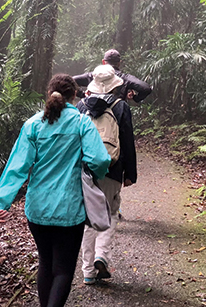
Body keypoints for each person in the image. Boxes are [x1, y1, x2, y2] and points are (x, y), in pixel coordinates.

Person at [0, 74, 111, 307]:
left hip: (38, 209)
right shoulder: (81, 122)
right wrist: (92, 172)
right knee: (63, 269)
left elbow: (17, 166)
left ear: (50, 94)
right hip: (69, 209)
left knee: (46, 264)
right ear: (74, 95)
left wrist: (1, 201)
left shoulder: (33, 124)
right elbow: (99, 159)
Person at [76, 65, 137, 285]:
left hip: (86, 170)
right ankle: (102, 255)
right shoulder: (121, 107)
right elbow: (127, 142)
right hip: (112, 168)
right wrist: (130, 174)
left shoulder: (81, 105)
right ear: (114, 85)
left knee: (88, 219)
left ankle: (87, 272)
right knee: (110, 212)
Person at [73, 49, 152, 104]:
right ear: (119, 63)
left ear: (103, 62)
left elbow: (71, 81)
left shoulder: (94, 76)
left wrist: (82, 94)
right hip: (117, 116)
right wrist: (135, 98)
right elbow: (146, 88)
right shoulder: (125, 78)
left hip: (94, 118)